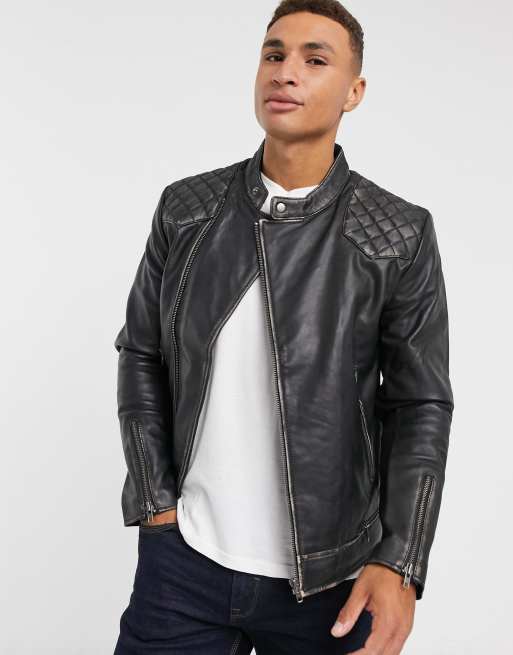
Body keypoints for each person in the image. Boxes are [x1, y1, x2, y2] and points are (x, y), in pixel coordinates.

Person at [113, 1, 454, 653]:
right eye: (274, 54)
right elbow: (141, 352)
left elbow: (419, 403)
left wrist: (400, 559)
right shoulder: (186, 209)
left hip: (330, 578)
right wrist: (156, 504)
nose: (285, 71)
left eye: (314, 59)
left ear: (354, 92)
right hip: (184, 566)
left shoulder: (396, 234)